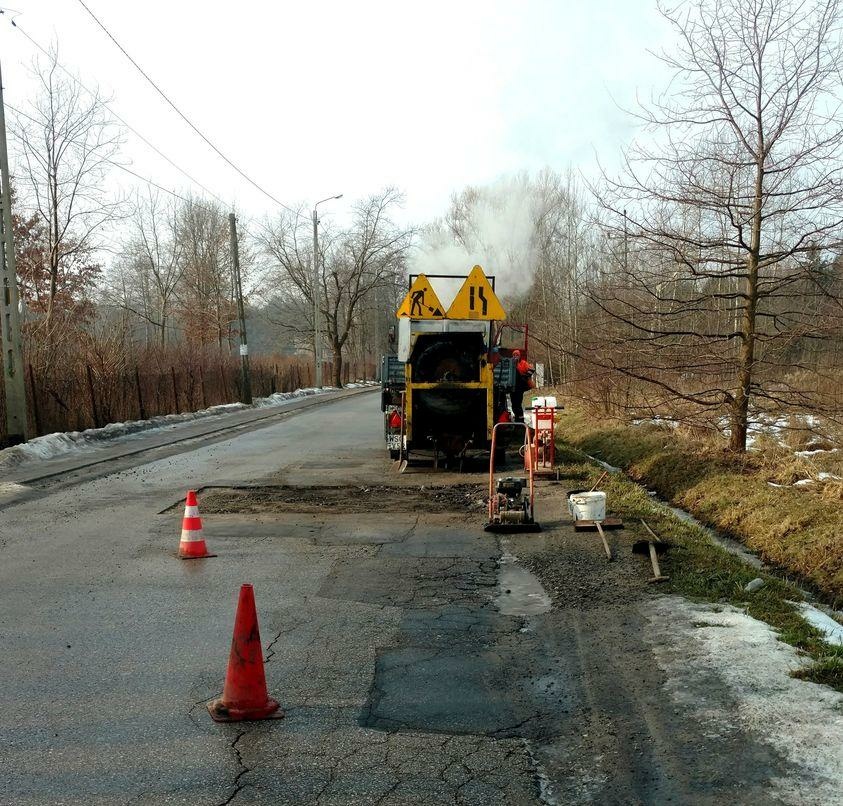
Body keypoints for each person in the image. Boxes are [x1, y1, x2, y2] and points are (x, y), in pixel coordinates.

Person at [510, 349, 534, 421]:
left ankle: (520, 417)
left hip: (520, 386)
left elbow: (532, 369)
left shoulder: (523, 363)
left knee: (518, 402)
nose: (515, 356)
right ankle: (517, 416)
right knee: (513, 402)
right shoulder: (511, 363)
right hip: (513, 387)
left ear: (520, 356)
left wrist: (526, 376)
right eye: (514, 355)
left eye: (517, 355)